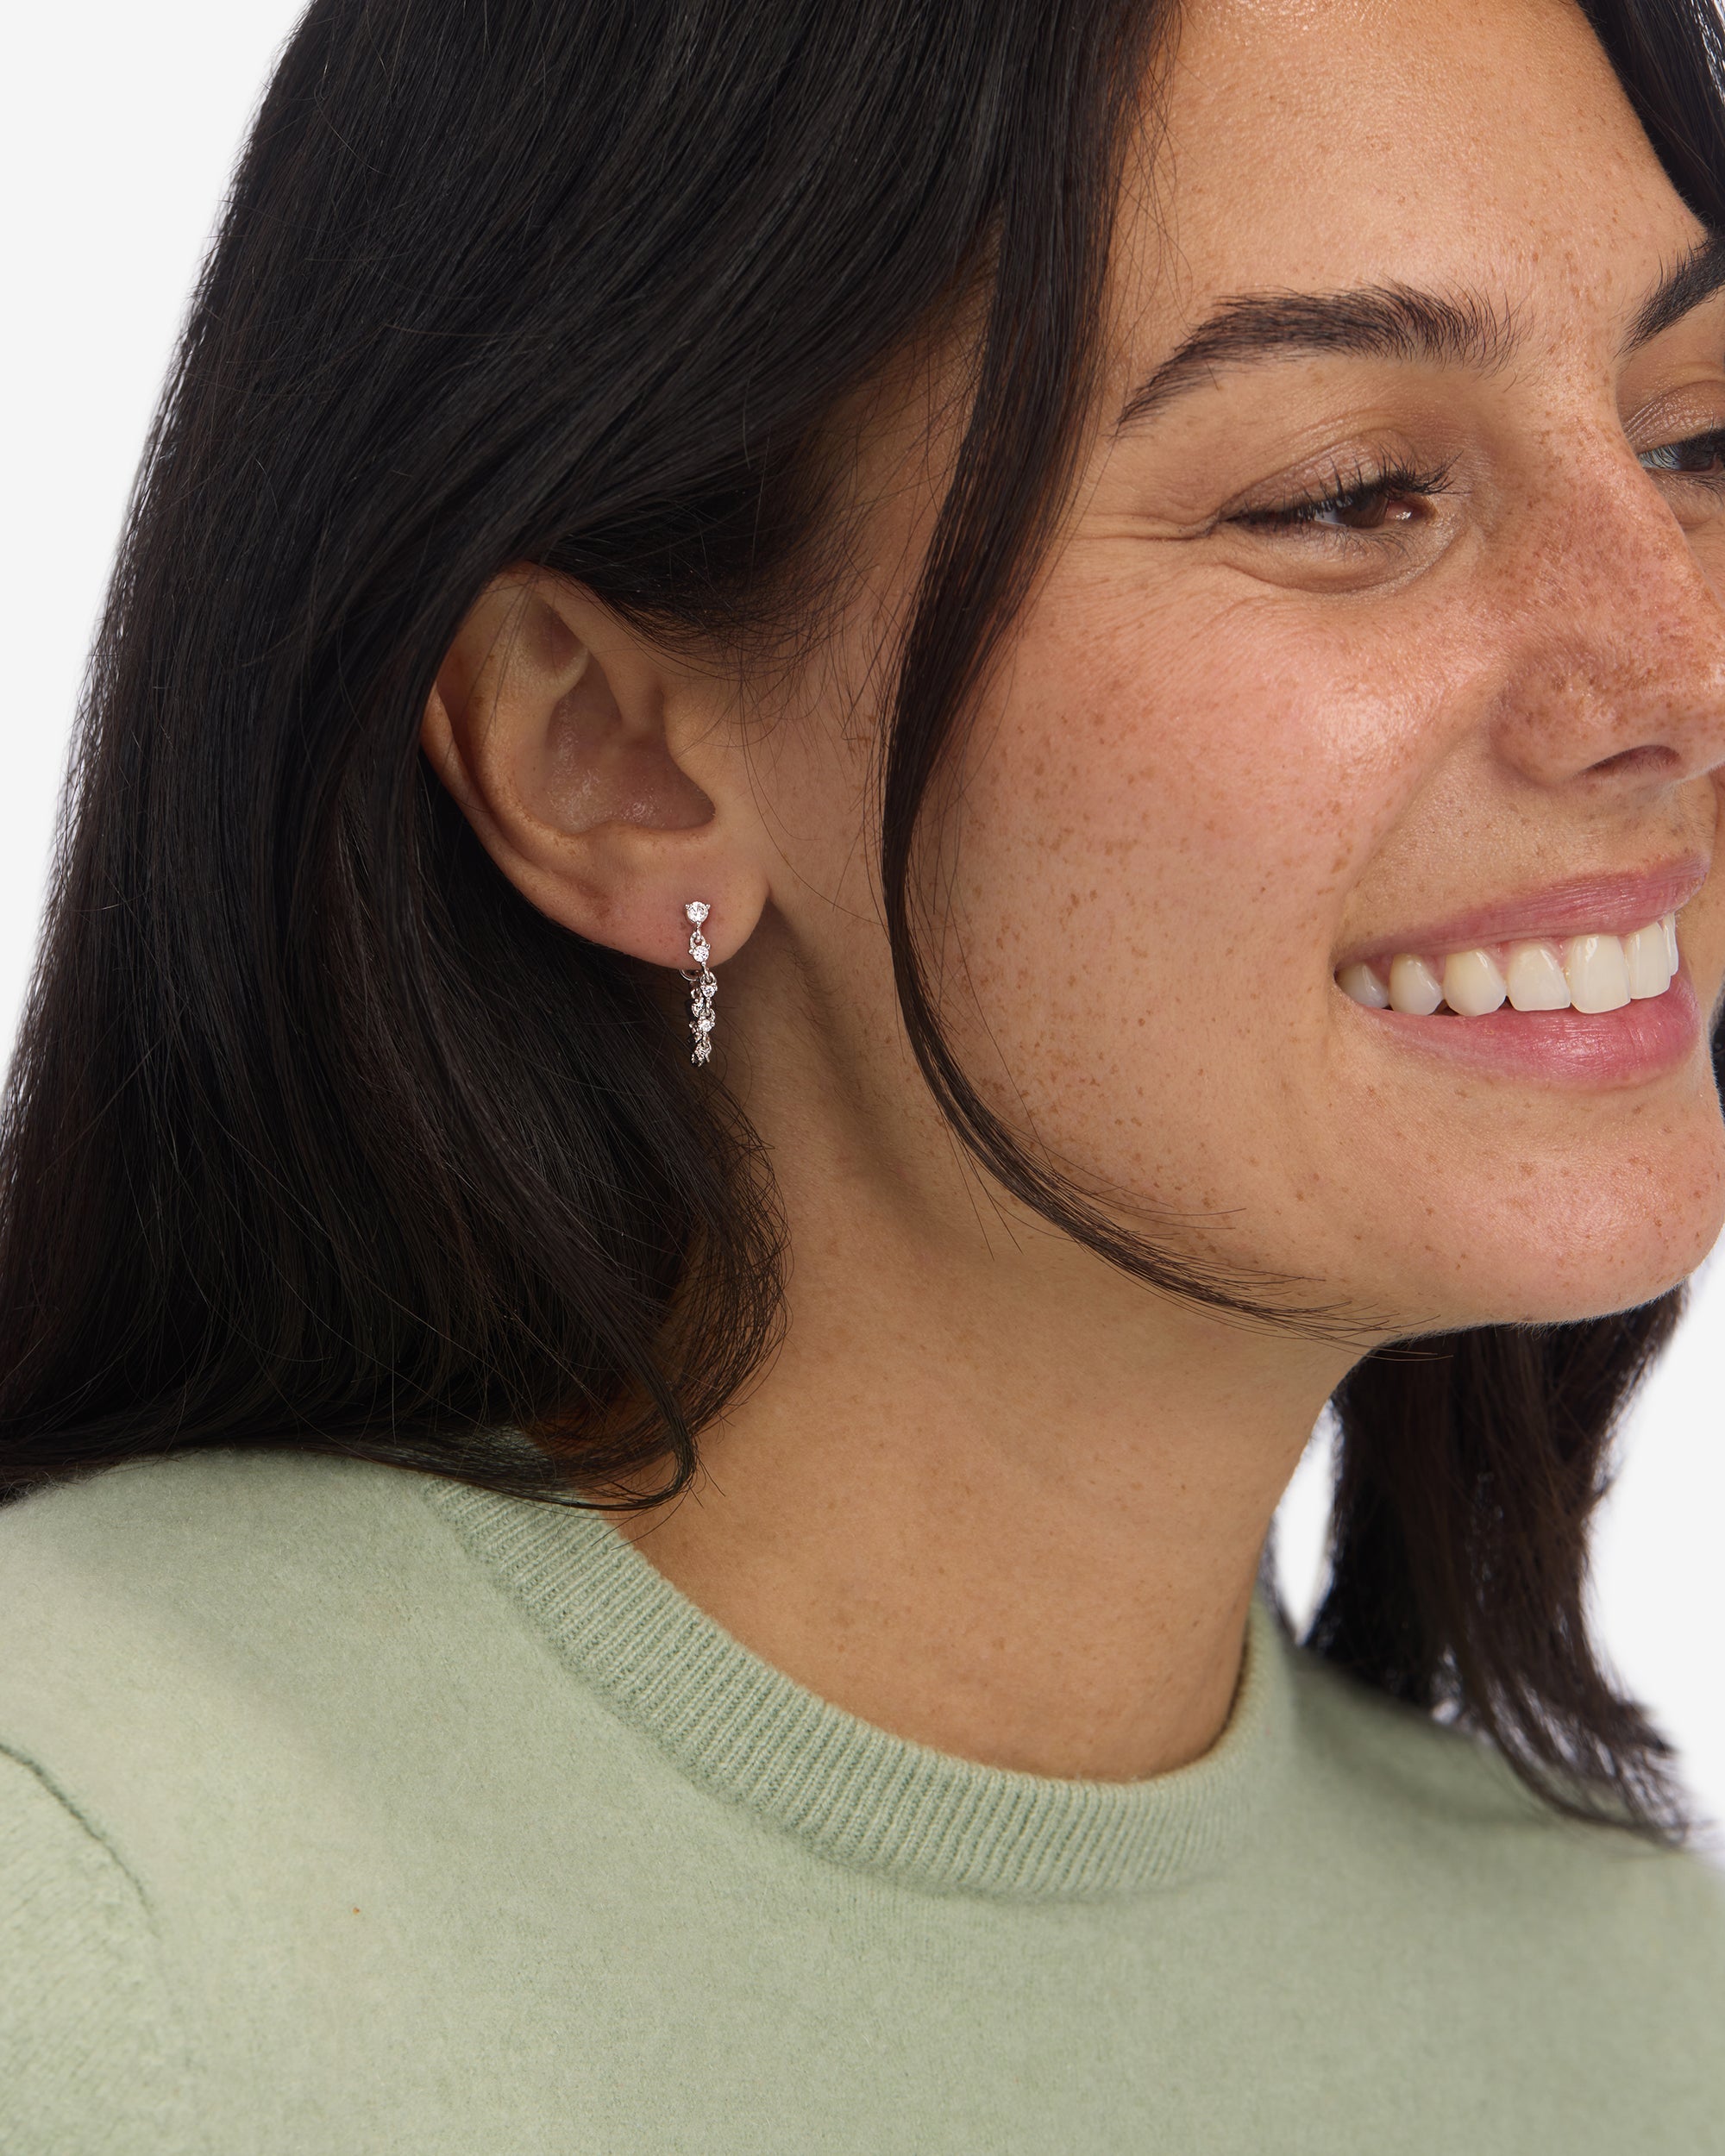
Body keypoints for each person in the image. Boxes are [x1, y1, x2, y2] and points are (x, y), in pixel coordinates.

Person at [2, 0, 1723, 2145]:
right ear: (608, 754)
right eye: (1349, 492)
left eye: (1692, 439)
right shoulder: (62, 1918)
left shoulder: (1652, 2032)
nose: (1674, 662)